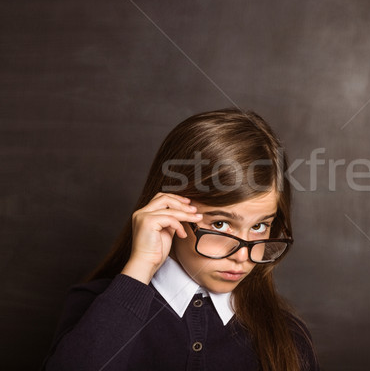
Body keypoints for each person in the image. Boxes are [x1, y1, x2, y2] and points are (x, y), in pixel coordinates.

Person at [43, 109, 319, 371]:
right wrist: (139, 268)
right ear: (169, 211)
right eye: (220, 224)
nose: (243, 256)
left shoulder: (287, 336)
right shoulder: (96, 308)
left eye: (260, 226)